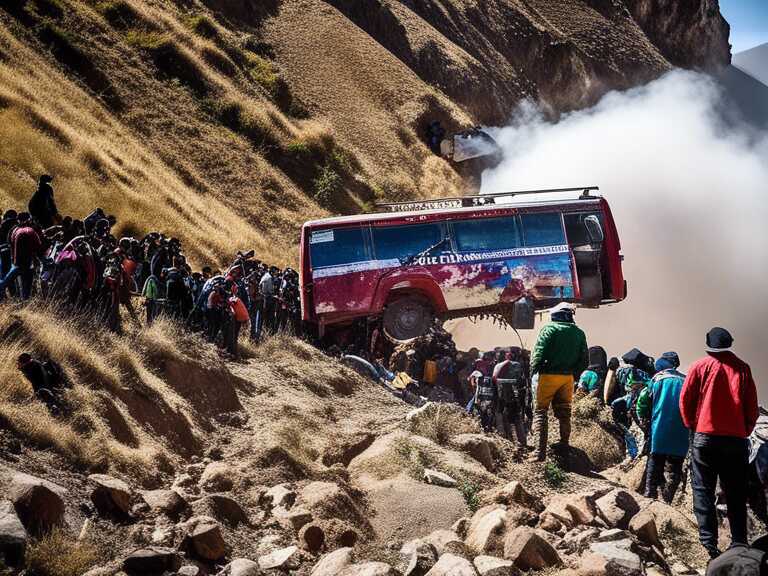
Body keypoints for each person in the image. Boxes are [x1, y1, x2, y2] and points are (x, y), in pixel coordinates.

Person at [680, 327, 759, 559]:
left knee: (703, 489)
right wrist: (744, 430)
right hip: (736, 441)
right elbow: (751, 407)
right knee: (735, 493)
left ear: (708, 344)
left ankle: (709, 544)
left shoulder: (699, 366)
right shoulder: (743, 368)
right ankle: (739, 543)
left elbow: (685, 401)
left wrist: (693, 426)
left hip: (705, 438)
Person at [529, 302, 588, 462]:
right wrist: (573, 375)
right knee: (564, 413)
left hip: (547, 376)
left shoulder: (549, 329)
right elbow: (584, 361)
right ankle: (564, 445)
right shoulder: (579, 333)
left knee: (540, 412)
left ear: (555, 315)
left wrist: (533, 372)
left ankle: (539, 453)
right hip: (567, 378)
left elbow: (538, 354)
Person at [638, 352, 688, 503]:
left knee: (655, 460)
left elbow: (644, 400)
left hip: (660, 426)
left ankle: (649, 495)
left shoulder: (657, 379)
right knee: (675, 465)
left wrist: (643, 417)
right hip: (682, 430)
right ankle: (668, 500)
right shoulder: (686, 380)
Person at [494, 348, 529, 450]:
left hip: (506, 396)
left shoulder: (499, 366)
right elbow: (521, 380)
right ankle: (520, 442)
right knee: (515, 419)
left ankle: (505, 442)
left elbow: (494, 380)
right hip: (514, 396)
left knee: (502, 417)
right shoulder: (516, 365)